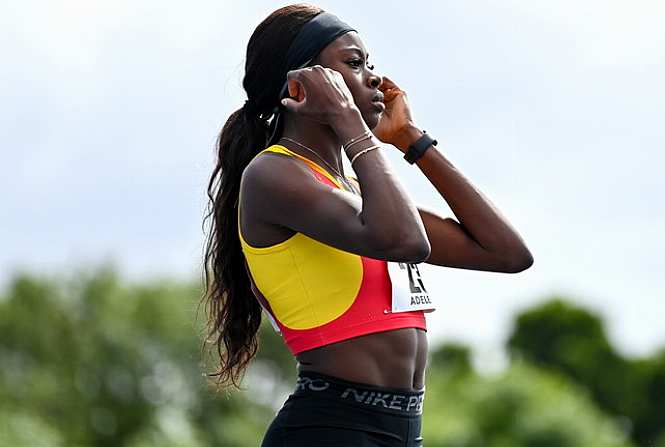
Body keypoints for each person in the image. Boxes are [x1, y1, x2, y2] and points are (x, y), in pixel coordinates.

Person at [201, 4, 533, 446]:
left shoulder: (360, 192)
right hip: (331, 427)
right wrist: (352, 126)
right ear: (300, 86)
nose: (375, 77)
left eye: (370, 64)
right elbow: (406, 240)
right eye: (355, 64)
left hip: (400, 431)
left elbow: (507, 253)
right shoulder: (273, 176)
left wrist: (411, 140)